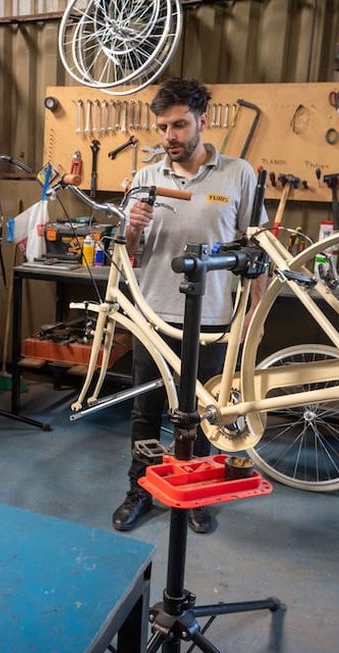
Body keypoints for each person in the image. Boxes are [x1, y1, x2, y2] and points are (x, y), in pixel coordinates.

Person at [111, 78, 268, 533]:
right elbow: (131, 254)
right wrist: (132, 227)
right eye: (162, 127)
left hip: (214, 319)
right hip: (152, 316)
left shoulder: (238, 174)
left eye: (179, 125)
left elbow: (253, 251)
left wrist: (254, 317)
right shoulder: (145, 178)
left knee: (201, 416)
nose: (169, 137)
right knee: (146, 411)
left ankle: (195, 494)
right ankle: (140, 488)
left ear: (202, 121)